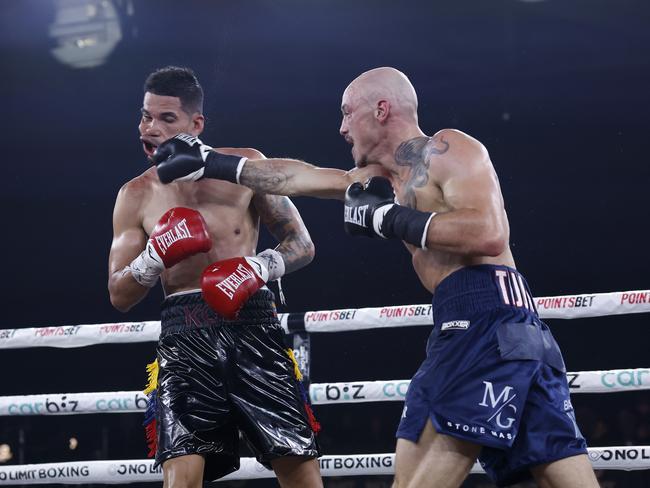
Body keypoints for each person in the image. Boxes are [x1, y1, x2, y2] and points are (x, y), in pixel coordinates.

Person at [152, 67, 600, 488]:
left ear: (380, 110)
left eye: (348, 113)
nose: (342, 128)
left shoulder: (450, 149)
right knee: (555, 470)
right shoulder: (380, 177)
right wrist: (213, 162)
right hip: (480, 324)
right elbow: (298, 178)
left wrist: (388, 219)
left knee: (420, 473)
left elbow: (488, 233)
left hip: (487, 319)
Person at [107, 66, 382, 488]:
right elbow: (119, 294)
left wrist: (258, 267)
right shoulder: (135, 194)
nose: (150, 128)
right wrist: (154, 256)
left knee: (299, 468)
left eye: (166, 119)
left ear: (195, 124)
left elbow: (301, 244)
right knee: (182, 474)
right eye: (145, 117)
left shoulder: (244, 166)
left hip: (253, 322)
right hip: (184, 335)